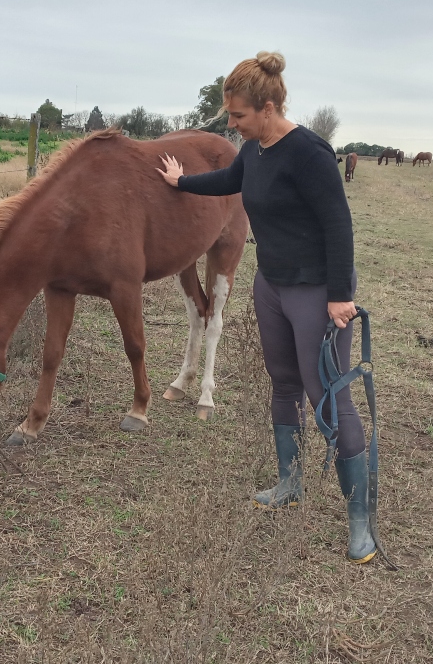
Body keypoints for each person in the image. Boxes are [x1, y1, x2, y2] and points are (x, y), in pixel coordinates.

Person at [156, 51, 375, 564]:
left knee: (329, 394)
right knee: (283, 382)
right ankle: (289, 481)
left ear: (269, 106)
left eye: (239, 116)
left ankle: (360, 521)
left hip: (318, 291)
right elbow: (231, 182)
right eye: (230, 116)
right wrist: (180, 182)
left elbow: (338, 224)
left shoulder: (309, 153)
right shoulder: (253, 151)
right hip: (272, 286)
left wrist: (340, 295)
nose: (232, 125)